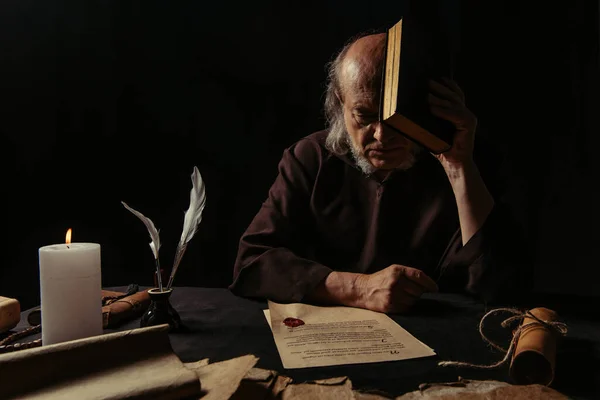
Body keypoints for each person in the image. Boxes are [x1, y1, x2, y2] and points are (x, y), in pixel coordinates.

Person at [229, 32, 530, 313]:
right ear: (339, 103)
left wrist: (458, 167)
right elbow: (252, 264)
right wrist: (359, 288)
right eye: (364, 115)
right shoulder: (310, 158)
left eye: (398, 118)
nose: (383, 136)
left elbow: (501, 290)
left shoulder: (466, 160)